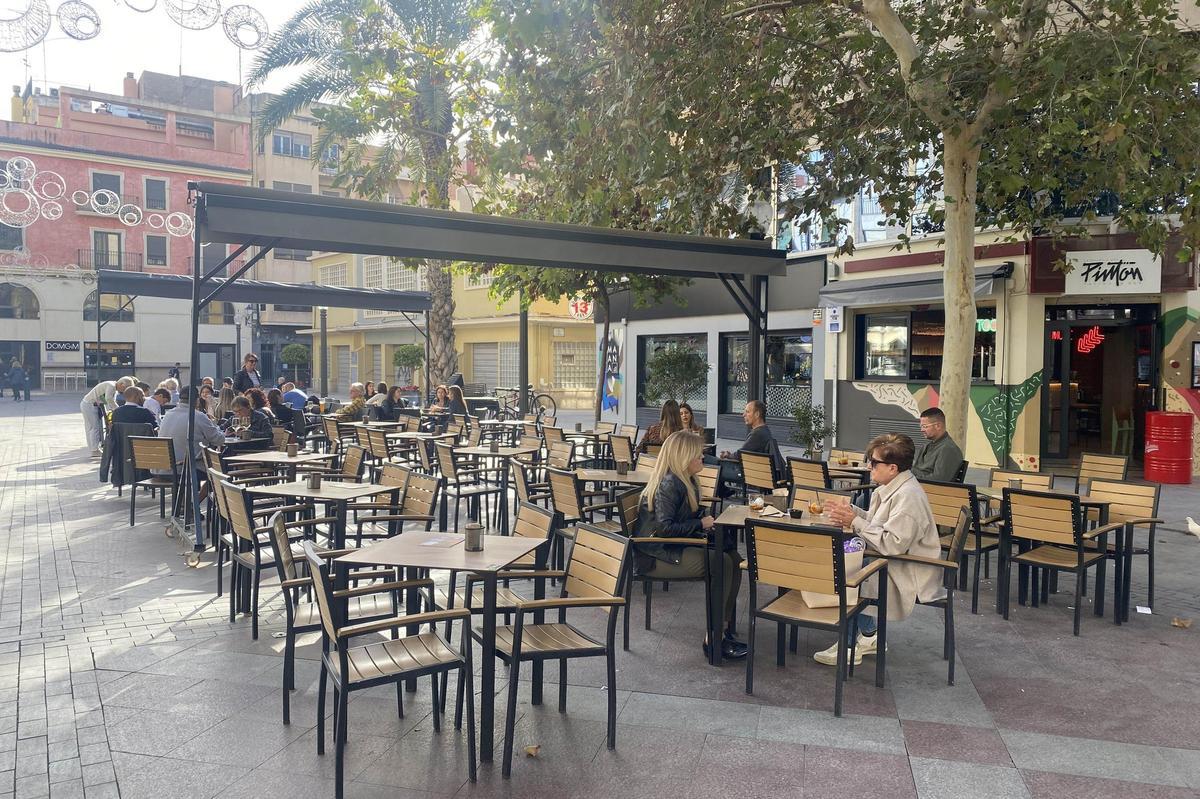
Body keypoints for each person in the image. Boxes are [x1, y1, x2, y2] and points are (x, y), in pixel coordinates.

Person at [818, 433, 943, 666]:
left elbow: (891, 544)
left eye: (874, 463)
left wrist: (854, 520)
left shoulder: (908, 497)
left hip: (912, 570)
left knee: (857, 570)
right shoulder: (892, 487)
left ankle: (848, 645)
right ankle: (869, 636)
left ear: (893, 468)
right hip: (897, 560)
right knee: (855, 562)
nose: (868, 466)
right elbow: (878, 523)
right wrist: (852, 513)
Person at [636, 431, 747, 660]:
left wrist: (703, 519)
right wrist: (701, 522)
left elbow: (685, 516)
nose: (702, 458)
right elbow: (665, 529)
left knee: (734, 560)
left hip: (670, 548)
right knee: (722, 562)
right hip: (656, 556)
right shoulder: (669, 484)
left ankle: (722, 629)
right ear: (683, 457)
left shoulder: (685, 481)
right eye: (698, 454)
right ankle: (714, 638)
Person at [158, 386, 224, 501]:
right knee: (219, 473)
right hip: (186, 468)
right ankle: (194, 504)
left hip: (162, 468)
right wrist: (214, 424)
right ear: (197, 400)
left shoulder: (168, 415)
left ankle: (184, 504)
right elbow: (219, 440)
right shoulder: (197, 416)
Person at [716, 400, 785, 494]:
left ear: (757, 414)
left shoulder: (758, 434)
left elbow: (740, 454)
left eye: (747, 412)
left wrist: (728, 455)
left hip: (751, 474)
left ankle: (720, 492)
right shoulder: (764, 431)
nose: (743, 415)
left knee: (714, 463)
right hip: (757, 472)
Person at [80, 377, 133, 455]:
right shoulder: (111, 386)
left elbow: (109, 401)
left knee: (91, 427)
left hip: (89, 404)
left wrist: (113, 410)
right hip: (90, 405)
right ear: (122, 384)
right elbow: (108, 399)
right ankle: (94, 450)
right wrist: (118, 410)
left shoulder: (112, 386)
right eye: (125, 388)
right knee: (94, 427)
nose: (124, 391)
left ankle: (93, 448)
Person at [911, 408, 965, 483]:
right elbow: (914, 470)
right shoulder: (927, 446)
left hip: (931, 490)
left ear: (938, 426)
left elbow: (939, 480)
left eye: (925, 426)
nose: (921, 430)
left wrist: (913, 478)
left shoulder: (948, 449)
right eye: (921, 426)